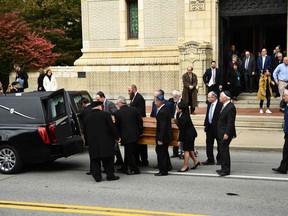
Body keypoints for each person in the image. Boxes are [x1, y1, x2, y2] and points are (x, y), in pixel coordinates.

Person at [83, 101, 120, 182]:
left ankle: (97, 177)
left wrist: (87, 142)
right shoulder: (105, 115)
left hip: (93, 142)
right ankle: (110, 175)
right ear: (99, 107)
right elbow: (112, 128)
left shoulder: (87, 117)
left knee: (95, 160)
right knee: (108, 159)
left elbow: (85, 132)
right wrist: (116, 137)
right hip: (106, 141)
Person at [114, 96, 143, 175]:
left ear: (120, 103)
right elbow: (140, 121)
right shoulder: (134, 109)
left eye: (117, 103)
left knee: (130, 154)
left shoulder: (118, 113)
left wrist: (117, 136)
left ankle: (135, 169)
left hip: (126, 136)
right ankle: (124, 167)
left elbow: (117, 126)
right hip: (135, 135)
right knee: (128, 152)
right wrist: (139, 132)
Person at [96, 91, 123, 165]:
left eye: (98, 99)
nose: (97, 101)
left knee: (114, 144)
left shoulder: (109, 104)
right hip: (105, 127)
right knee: (113, 145)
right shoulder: (100, 105)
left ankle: (119, 159)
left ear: (102, 97)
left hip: (111, 126)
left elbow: (116, 113)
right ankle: (119, 159)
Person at [216, 91, 236, 177]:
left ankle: (226, 170)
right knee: (222, 150)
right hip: (221, 131)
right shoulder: (224, 106)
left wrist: (227, 133)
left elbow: (230, 122)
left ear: (225, 98)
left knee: (224, 151)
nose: (219, 98)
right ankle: (223, 168)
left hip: (226, 133)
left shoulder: (230, 107)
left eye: (221, 96)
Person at [128, 84, 149, 167]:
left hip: (138, 123)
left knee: (142, 145)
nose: (128, 92)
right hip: (135, 123)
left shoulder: (139, 98)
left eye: (129, 91)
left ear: (133, 90)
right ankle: (138, 160)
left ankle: (144, 161)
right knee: (138, 145)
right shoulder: (133, 98)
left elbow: (140, 112)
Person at [175, 101, 199, 172]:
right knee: (189, 148)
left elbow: (182, 130)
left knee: (186, 150)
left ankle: (185, 166)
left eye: (177, 108)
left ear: (181, 109)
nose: (176, 109)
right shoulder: (182, 114)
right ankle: (196, 161)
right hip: (189, 133)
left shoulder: (183, 118)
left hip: (189, 135)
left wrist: (180, 140)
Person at [154, 94, 173, 176]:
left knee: (161, 153)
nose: (155, 103)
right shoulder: (165, 109)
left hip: (163, 137)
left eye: (155, 101)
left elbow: (163, 127)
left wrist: (160, 139)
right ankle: (167, 166)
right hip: (166, 136)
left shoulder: (162, 112)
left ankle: (163, 170)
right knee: (163, 152)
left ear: (159, 102)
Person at [203, 91, 222, 165]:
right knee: (209, 144)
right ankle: (210, 159)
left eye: (209, 97)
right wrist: (205, 124)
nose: (208, 99)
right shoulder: (209, 104)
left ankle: (219, 159)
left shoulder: (220, 105)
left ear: (214, 97)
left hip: (217, 127)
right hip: (209, 127)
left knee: (219, 144)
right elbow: (207, 115)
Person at [272, 88, 288, 174]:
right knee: (286, 151)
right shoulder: (286, 105)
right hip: (287, 132)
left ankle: (283, 168)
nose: (283, 97)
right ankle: (283, 168)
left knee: (286, 151)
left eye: (284, 96)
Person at [168, 90, 183, 158]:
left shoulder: (183, 102)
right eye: (173, 96)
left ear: (179, 96)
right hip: (173, 121)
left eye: (175, 97)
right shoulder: (171, 101)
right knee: (175, 136)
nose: (174, 98)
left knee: (180, 137)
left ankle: (181, 152)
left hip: (180, 121)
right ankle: (175, 152)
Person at [79, 97, 92, 175]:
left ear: (83, 103)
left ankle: (92, 169)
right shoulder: (93, 108)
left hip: (89, 135)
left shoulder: (84, 112)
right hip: (96, 134)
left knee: (91, 153)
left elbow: (84, 125)